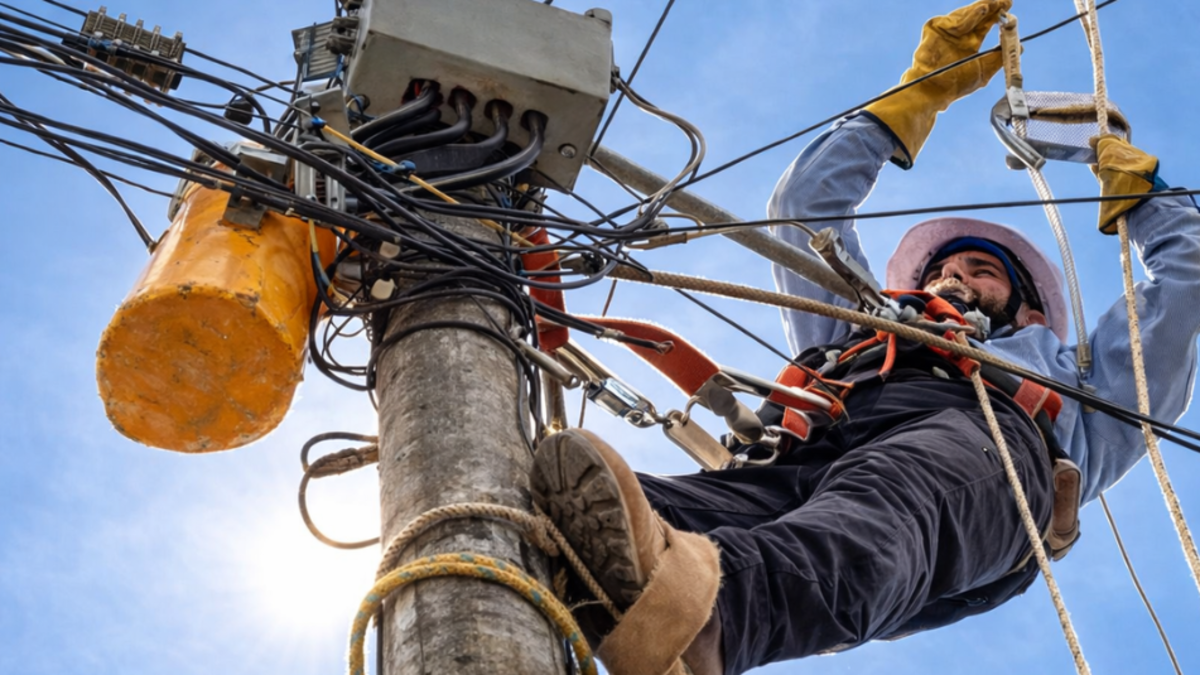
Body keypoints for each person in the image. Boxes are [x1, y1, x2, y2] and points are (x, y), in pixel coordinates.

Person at [530, 2, 1200, 673]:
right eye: (942, 269)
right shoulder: (863, 328)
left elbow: (1186, 285)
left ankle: (712, 621)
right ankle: (541, 566)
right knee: (619, 509)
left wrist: (1146, 197)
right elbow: (804, 208)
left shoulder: (1076, 390)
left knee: (884, 501)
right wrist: (917, 96)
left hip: (980, 453)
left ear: (1029, 315)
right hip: (800, 455)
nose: (953, 276)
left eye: (982, 270)